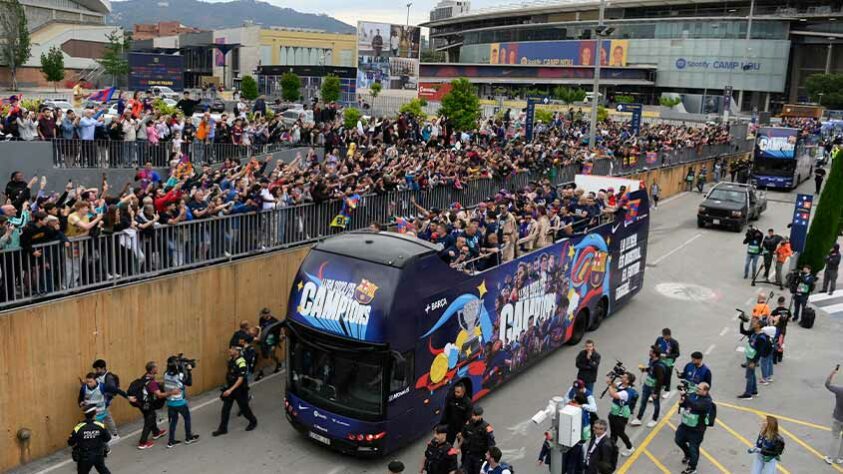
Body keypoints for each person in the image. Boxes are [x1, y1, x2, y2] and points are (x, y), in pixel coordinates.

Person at [213, 346, 257, 436]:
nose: (230, 350)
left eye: (232, 349)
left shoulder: (241, 362)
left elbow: (240, 379)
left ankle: (253, 421)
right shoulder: (231, 360)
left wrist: (230, 390)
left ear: (237, 351)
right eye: (230, 349)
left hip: (240, 390)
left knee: (244, 408)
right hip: (230, 388)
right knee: (225, 409)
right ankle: (223, 429)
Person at [77, 373, 129, 442]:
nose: (88, 383)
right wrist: (80, 403)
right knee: (98, 426)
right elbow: (80, 398)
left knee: (108, 421)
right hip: (92, 412)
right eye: (87, 382)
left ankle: (114, 435)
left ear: (95, 380)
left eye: (90, 381)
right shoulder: (84, 388)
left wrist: (127, 397)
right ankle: (102, 440)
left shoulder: (102, 386)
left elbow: (116, 390)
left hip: (102, 409)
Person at [674, 382, 712, 474]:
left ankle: (692, 467)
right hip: (685, 425)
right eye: (697, 388)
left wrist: (685, 397)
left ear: (705, 391)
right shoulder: (693, 394)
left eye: (699, 389)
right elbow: (686, 404)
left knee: (693, 448)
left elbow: (695, 405)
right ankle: (687, 455)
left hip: (696, 429)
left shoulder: (707, 401)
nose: (696, 390)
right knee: (678, 440)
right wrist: (682, 401)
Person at [163, 355, 199, 448]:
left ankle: (171, 441)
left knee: (173, 421)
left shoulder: (165, 374)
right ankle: (188, 438)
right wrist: (189, 371)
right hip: (180, 402)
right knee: (187, 418)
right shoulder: (180, 375)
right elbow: (189, 383)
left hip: (170, 402)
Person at [137, 361, 173, 449]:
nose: (157, 368)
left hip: (141, 402)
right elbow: (159, 395)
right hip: (147, 404)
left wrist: (159, 384)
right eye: (156, 367)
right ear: (153, 369)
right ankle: (142, 442)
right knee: (149, 420)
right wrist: (172, 392)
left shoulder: (146, 376)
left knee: (151, 416)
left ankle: (156, 432)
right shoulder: (151, 382)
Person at [68, 405, 111, 474]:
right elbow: (107, 438)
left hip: (84, 457)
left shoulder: (79, 427)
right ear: (95, 414)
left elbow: (70, 442)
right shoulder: (100, 425)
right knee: (103, 470)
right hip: (98, 455)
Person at [631, 345, 668, 427]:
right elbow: (650, 369)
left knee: (656, 404)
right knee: (643, 402)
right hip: (647, 385)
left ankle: (654, 419)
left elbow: (660, 380)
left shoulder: (659, 366)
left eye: (651, 351)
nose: (649, 352)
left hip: (653, 388)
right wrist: (644, 369)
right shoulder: (652, 361)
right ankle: (639, 418)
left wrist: (656, 392)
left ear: (654, 354)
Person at [457, 405, 496, 474]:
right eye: (472, 415)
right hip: (469, 454)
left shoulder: (486, 428)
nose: (473, 417)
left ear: (480, 415)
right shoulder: (469, 424)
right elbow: (463, 436)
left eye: (476, 415)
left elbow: (491, 445)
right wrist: (458, 447)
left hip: (480, 456)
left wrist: (490, 458)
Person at [606, 371, 637, 456]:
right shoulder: (621, 384)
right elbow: (614, 386)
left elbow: (613, 394)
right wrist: (611, 380)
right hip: (614, 412)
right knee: (613, 431)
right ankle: (612, 446)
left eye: (624, 377)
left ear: (627, 381)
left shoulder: (626, 393)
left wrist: (609, 384)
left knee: (620, 432)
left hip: (621, 415)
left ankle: (630, 447)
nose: (622, 377)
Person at [738, 318, 768, 400]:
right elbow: (743, 332)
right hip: (749, 355)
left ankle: (748, 393)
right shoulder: (754, 331)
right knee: (752, 374)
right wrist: (742, 322)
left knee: (749, 376)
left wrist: (754, 362)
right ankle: (754, 391)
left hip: (752, 358)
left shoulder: (761, 337)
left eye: (755, 322)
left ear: (758, 326)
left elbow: (759, 352)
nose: (753, 323)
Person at [92, 360, 122, 440]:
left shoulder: (109, 377)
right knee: (104, 417)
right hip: (100, 400)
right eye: (95, 369)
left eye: (98, 369)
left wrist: (103, 394)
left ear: (103, 368)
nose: (96, 371)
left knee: (104, 417)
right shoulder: (97, 375)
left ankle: (114, 435)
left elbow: (112, 391)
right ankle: (112, 434)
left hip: (106, 400)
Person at [825, 366, 843, 465]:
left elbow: (827, 384)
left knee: (835, 437)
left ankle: (830, 458)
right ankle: (840, 458)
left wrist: (833, 373)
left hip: (838, 417)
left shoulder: (840, 390)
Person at [654, 328, 680, 398]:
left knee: (667, 376)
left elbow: (677, 354)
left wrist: (667, 356)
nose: (665, 337)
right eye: (664, 336)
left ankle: (667, 390)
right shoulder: (659, 339)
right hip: (660, 361)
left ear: (669, 335)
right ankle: (656, 391)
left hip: (669, 362)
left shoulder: (674, 343)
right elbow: (655, 348)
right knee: (658, 376)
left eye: (667, 336)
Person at [770, 296, 791, 364]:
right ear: (784, 302)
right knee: (781, 342)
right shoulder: (788, 311)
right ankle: (780, 357)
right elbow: (789, 319)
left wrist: (772, 324)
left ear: (778, 302)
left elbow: (771, 319)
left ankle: (774, 358)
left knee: (775, 342)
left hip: (776, 329)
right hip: (783, 329)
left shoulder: (775, 311)